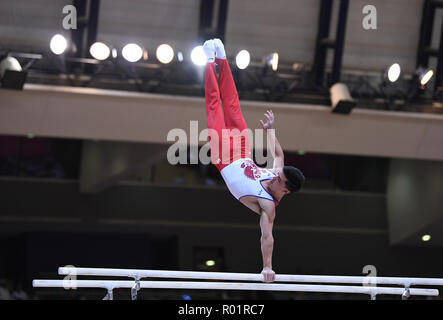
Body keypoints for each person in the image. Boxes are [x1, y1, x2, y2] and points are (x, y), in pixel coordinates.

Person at [202, 39, 305, 282]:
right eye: (277, 175)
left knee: (214, 107)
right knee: (233, 106)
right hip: (242, 152)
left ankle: (208, 62)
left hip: (224, 160)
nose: (274, 176)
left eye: (278, 179)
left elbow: (267, 237)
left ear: (285, 190)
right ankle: (222, 59)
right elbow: (279, 155)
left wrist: (267, 267)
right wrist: (270, 130)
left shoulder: (268, 208)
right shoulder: (276, 174)